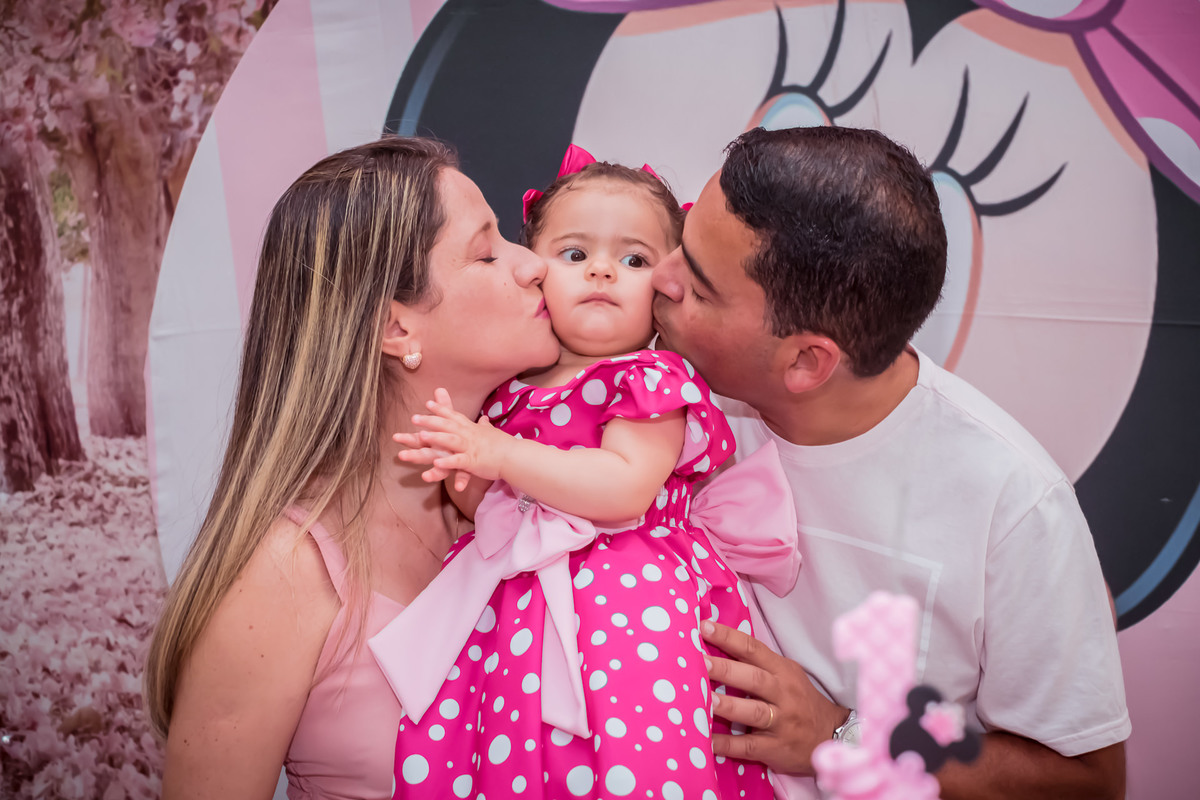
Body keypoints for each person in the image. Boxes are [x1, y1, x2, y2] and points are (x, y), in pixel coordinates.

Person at [651, 125, 1130, 799]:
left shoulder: (1012, 500)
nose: (660, 276)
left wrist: (841, 734)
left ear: (807, 361)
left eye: (700, 290)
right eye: (682, 239)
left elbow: (1089, 782)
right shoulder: (644, 390)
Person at [369, 146, 799, 798]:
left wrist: (498, 454)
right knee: (514, 748)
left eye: (635, 260)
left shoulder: (650, 378)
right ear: (536, 270)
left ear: (667, 287)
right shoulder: (511, 391)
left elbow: (623, 487)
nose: (602, 271)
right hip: (520, 614)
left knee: (636, 751)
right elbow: (493, 509)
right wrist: (465, 471)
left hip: (632, 601)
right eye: (574, 254)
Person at [143, 136, 564, 799]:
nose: (534, 265)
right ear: (396, 329)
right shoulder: (285, 574)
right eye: (486, 252)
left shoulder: (541, 506)